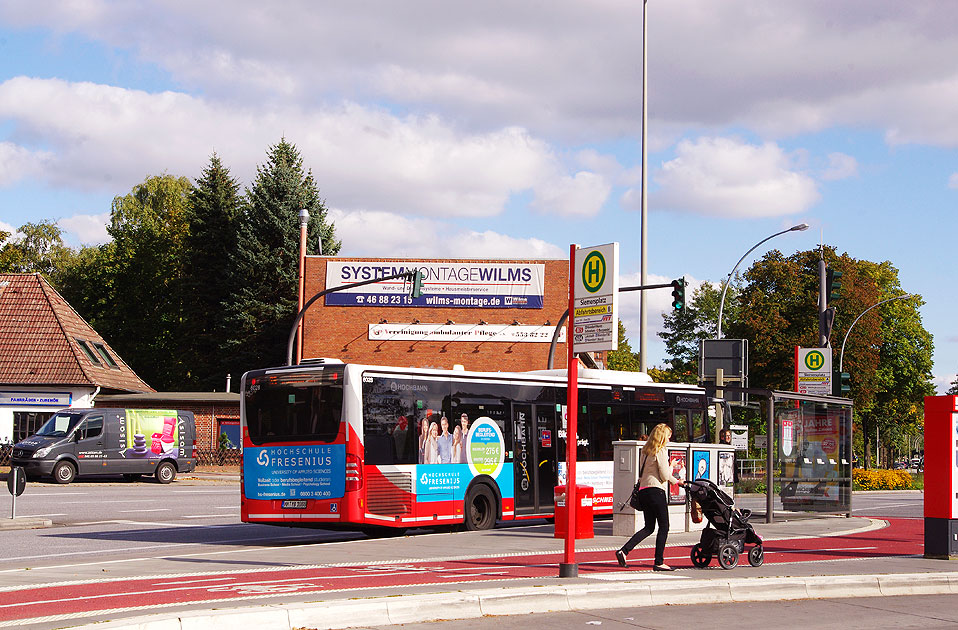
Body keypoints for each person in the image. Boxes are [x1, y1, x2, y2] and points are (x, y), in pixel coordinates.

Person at [616, 422, 685, 571]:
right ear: (662, 437)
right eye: (668, 437)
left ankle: (624, 550)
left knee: (649, 527)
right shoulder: (660, 450)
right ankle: (659, 562)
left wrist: (669, 465)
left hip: (644, 491)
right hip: (656, 491)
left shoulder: (645, 451)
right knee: (664, 527)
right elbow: (665, 475)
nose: (668, 440)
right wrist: (678, 480)